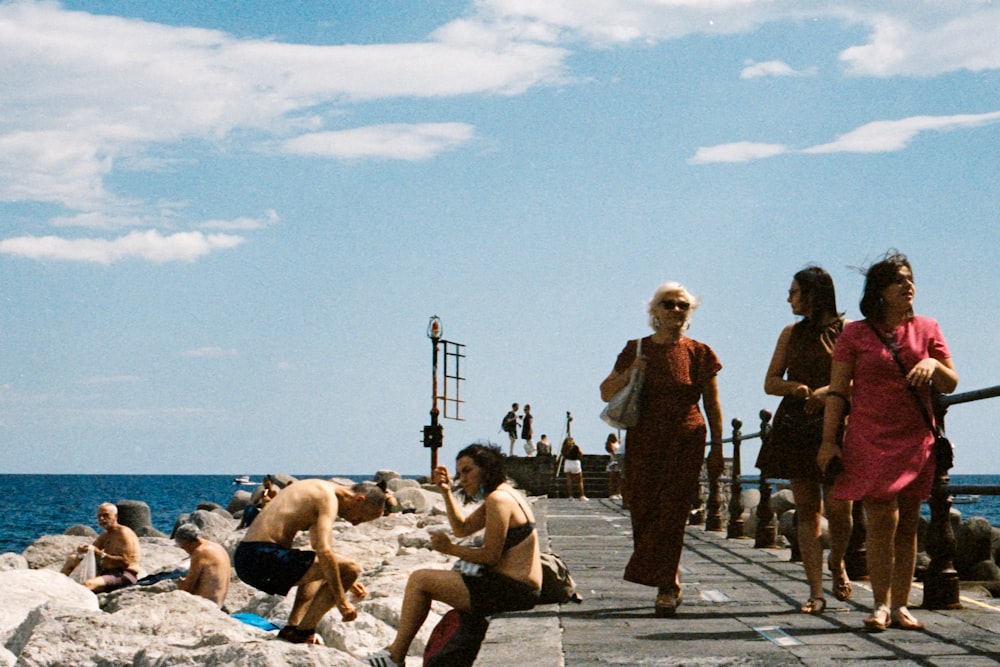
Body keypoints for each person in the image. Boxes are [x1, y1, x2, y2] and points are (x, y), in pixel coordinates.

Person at [818, 251, 958, 632]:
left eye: (910, 278)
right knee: (880, 519)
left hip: (914, 436)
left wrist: (933, 364)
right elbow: (837, 391)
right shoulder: (855, 334)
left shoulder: (928, 327)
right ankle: (879, 604)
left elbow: (951, 382)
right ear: (879, 290)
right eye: (898, 280)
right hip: (869, 435)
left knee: (910, 523)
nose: (907, 285)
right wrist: (829, 441)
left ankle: (900, 606)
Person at [599, 281, 723, 617]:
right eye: (669, 304)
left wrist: (717, 448)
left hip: (686, 438)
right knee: (643, 507)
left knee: (673, 511)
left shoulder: (699, 352)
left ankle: (666, 586)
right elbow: (605, 392)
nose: (677, 311)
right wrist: (628, 374)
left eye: (683, 305)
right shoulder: (635, 349)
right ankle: (667, 573)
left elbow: (712, 404)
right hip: (644, 440)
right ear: (654, 311)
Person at [367, 443, 541, 667]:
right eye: (459, 473)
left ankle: (396, 655)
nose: (463, 479)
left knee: (420, 580)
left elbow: (491, 556)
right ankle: (396, 653)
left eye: (467, 471)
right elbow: (463, 528)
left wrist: (450, 549)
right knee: (432, 578)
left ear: (486, 469)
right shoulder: (505, 493)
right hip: (517, 588)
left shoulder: (499, 500)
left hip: (513, 591)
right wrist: (446, 492)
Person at [760, 266, 853, 614]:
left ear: (813, 294)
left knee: (840, 509)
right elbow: (770, 381)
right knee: (807, 511)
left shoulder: (848, 332)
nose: (788, 298)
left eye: (794, 291)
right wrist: (794, 388)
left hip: (837, 424)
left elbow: (862, 379)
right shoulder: (790, 333)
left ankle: (838, 561)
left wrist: (829, 391)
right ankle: (815, 591)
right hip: (796, 425)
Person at [234, 478, 386, 645]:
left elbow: (318, 549)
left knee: (326, 565)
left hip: (247, 557)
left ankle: (292, 628)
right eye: (361, 517)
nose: (355, 523)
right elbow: (324, 550)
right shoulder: (328, 498)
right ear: (359, 499)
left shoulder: (316, 487)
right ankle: (304, 632)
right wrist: (342, 601)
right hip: (262, 557)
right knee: (350, 568)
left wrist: (348, 582)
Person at [60, 502, 141, 593]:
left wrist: (100, 554)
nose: (102, 519)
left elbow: (125, 562)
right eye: (99, 516)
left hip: (123, 575)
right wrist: (84, 549)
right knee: (73, 558)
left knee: (88, 584)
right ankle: (58, 586)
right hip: (106, 572)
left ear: (115, 516)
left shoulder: (124, 533)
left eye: (106, 515)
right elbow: (93, 548)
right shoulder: (106, 534)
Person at [174, 523, 232, 609]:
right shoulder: (217, 546)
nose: (186, 551)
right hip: (220, 602)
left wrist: (179, 582)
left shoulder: (200, 552)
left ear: (188, 542)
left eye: (184, 547)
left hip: (207, 605)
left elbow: (187, 588)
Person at [605, 433, 622, 501]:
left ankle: (618, 492)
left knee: (619, 479)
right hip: (614, 461)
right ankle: (612, 494)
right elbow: (613, 452)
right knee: (612, 479)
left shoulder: (618, 443)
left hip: (619, 461)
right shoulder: (610, 444)